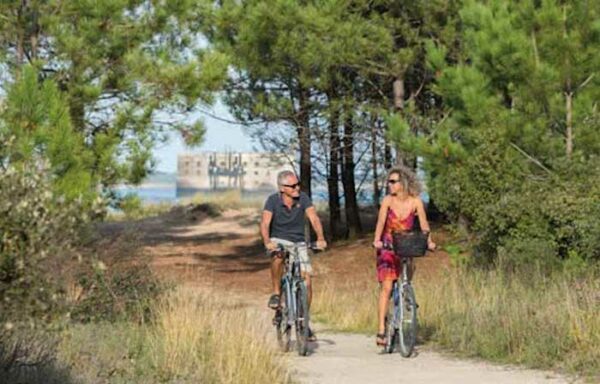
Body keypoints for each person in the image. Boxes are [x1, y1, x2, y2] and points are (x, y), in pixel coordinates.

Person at [372, 166, 436, 347]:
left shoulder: (416, 202)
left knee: (409, 270)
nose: (390, 185)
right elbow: (381, 222)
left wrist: (429, 242)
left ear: (403, 183)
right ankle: (381, 330)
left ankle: (406, 294)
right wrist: (377, 240)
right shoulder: (387, 201)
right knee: (386, 286)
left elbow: (424, 225)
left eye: (393, 182)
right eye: (389, 182)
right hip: (388, 244)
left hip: (406, 243)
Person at [260, 170, 327, 341]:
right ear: (282, 188)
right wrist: (268, 241)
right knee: (278, 256)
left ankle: (303, 321)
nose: (297, 188)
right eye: (293, 186)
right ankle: (276, 293)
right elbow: (265, 223)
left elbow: (314, 218)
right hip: (279, 240)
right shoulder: (273, 201)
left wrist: (320, 238)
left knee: (307, 281)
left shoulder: (303, 198)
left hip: (299, 243)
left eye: (298, 184)